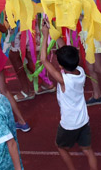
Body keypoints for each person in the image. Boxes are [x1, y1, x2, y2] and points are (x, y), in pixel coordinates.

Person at [40, 19, 97, 170]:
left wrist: (45, 34)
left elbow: (43, 60)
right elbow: (64, 49)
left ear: (60, 66)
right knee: (88, 150)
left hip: (69, 124)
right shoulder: (81, 71)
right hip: (83, 120)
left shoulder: (63, 80)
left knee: (61, 147)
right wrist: (52, 29)